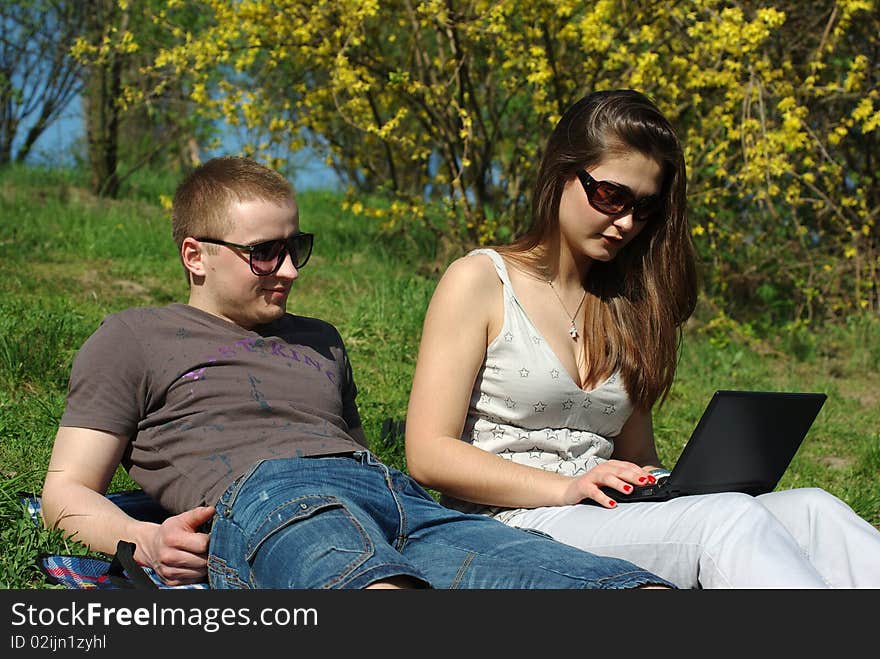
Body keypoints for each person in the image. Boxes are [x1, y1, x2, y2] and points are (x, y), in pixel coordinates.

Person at [40, 155, 673, 590]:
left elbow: (356, 456)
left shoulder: (321, 341)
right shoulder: (132, 337)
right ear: (194, 256)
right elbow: (64, 493)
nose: (288, 270)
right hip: (266, 497)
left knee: (607, 587)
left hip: (393, 498)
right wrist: (141, 541)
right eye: (264, 254)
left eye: (296, 248)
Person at [404, 89, 880, 589]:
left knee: (814, 511)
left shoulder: (626, 306)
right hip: (512, 522)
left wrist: (671, 485)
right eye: (612, 195)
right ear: (561, 174)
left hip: (602, 513)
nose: (627, 222)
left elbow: (637, 456)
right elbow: (428, 453)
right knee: (728, 520)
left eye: (645, 207)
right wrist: (566, 487)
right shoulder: (480, 280)